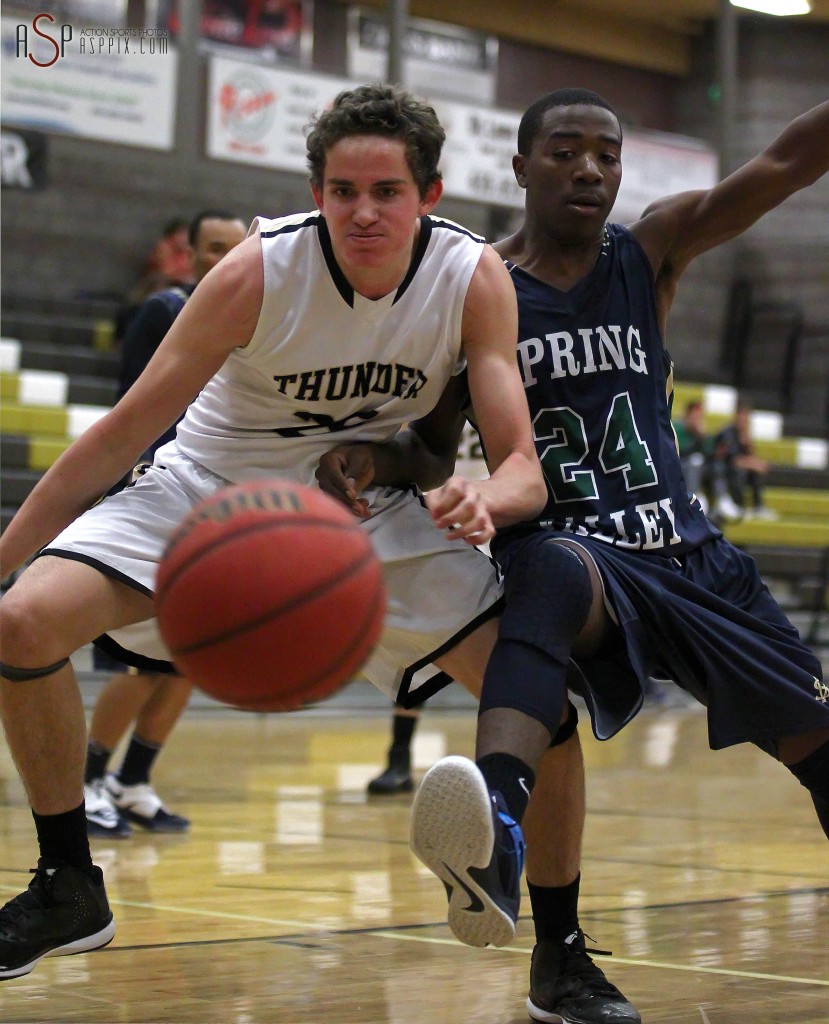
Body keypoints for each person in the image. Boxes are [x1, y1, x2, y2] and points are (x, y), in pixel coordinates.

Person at [0, 83, 555, 985]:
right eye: (342, 191)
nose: (363, 211)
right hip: (213, 494)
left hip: (365, 512)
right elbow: (123, 431)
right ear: (316, 191)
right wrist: (5, 556)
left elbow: (523, 461)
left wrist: (488, 496)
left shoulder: (470, 275)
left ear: (430, 196)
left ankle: (529, 895)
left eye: (386, 192)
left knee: (533, 686)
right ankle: (68, 883)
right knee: (23, 623)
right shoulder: (261, 269)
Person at [317, 90, 829, 1022]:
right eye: (563, 152)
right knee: (550, 562)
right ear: (518, 168)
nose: (588, 170)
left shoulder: (649, 250)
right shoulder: (476, 289)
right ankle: (508, 853)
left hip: (693, 560)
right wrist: (377, 459)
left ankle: (510, 849)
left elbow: (785, 163)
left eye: (606, 154)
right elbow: (434, 446)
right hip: (579, 565)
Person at [85, 210, 249, 838]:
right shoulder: (165, 310)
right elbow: (132, 412)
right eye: (211, 248)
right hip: (155, 499)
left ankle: (133, 780)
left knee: (187, 662)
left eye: (233, 249)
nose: (222, 259)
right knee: (138, 661)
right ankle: (88, 780)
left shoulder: (255, 320)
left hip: (218, 511)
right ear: (190, 253)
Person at [711, 396, 776, 520]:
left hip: (737, 467)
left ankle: (758, 506)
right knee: (741, 471)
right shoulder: (727, 433)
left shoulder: (744, 435)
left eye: (747, 417)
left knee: (756, 471)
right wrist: (754, 464)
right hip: (722, 469)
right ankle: (737, 505)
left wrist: (749, 447)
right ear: (736, 416)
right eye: (743, 416)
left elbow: (749, 457)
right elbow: (734, 460)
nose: (745, 420)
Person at [672, 398, 715, 515]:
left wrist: (701, 437)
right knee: (695, 460)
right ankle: (693, 496)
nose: (697, 421)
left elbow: (710, 453)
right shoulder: (677, 428)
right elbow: (678, 450)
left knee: (712, 466)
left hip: (699, 470)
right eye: (695, 417)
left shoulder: (701, 435)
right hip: (679, 466)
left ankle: (719, 503)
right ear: (687, 415)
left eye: (699, 418)